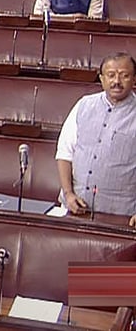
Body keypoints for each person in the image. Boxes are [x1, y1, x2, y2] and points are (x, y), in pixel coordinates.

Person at [56, 52, 136, 227]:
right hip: (76, 209)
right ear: (101, 79)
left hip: (120, 217)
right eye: (111, 75)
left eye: (124, 75)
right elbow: (64, 153)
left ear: (134, 79)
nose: (117, 81)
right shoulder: (83, 105)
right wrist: (68, 194)